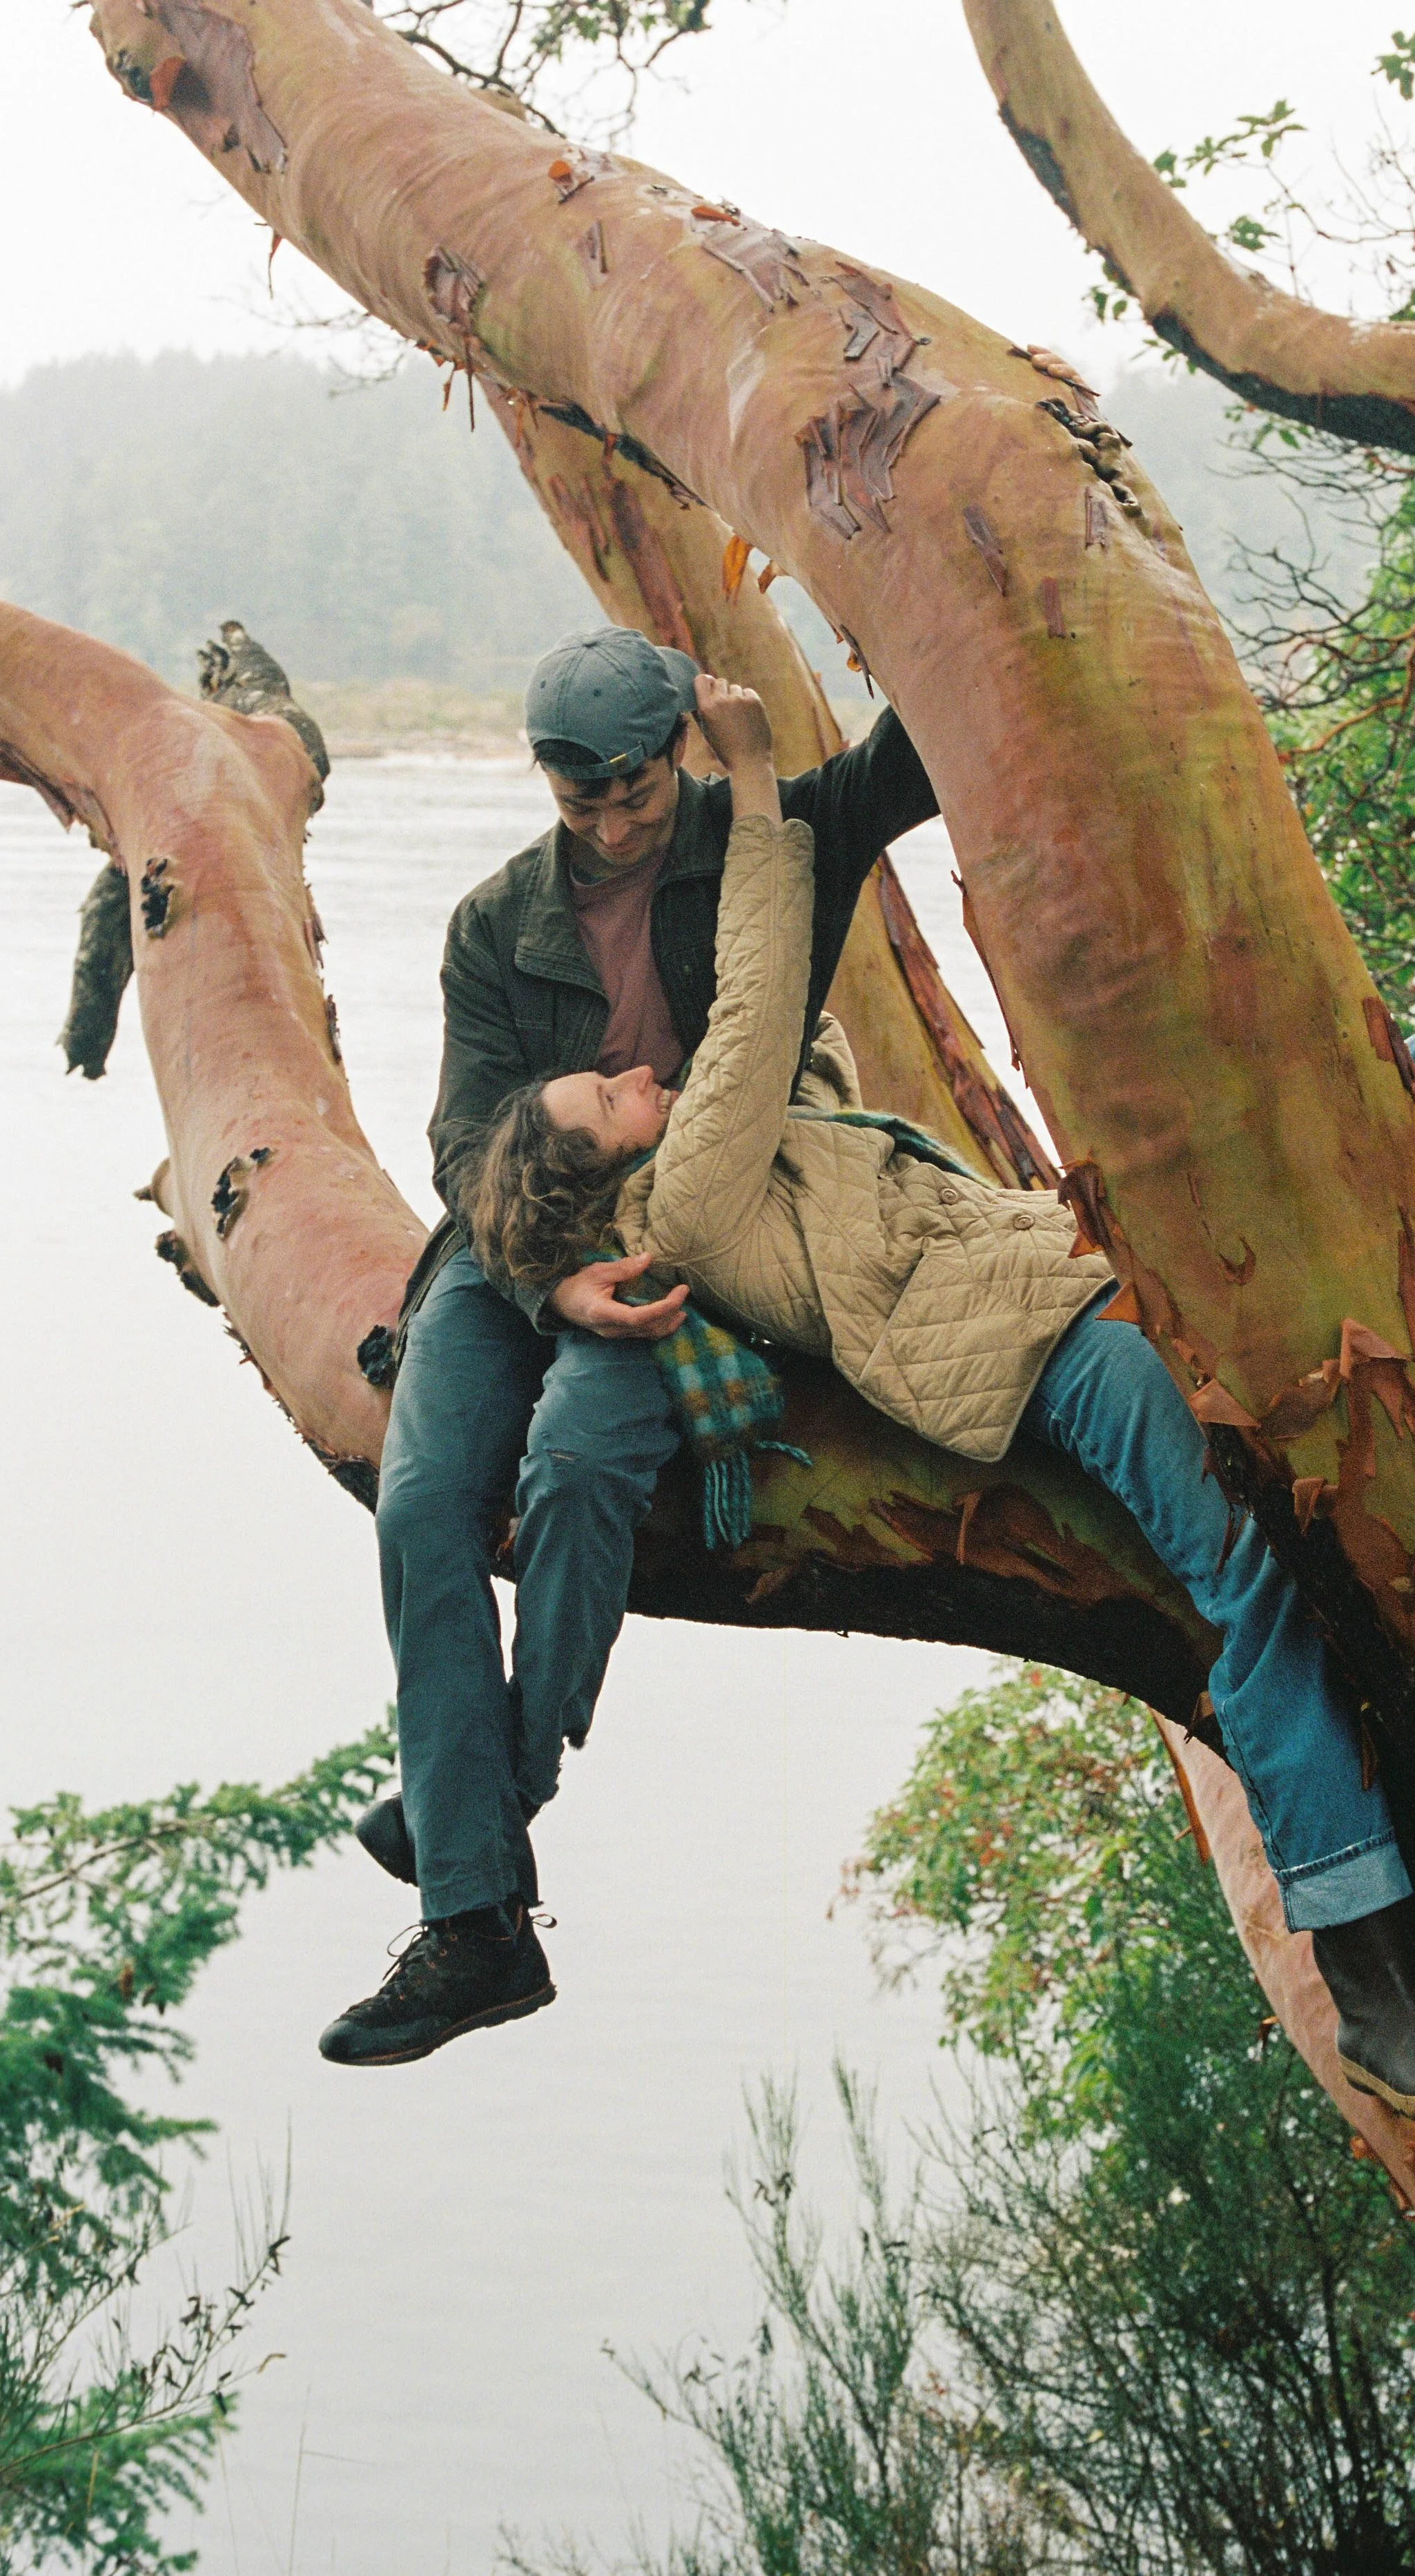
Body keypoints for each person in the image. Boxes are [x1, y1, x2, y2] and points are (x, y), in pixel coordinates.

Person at [462, 682, 1415, 2124]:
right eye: (598, 1097)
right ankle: (1373, 1982)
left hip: (1071, 1253)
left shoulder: (745, 1140)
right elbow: (768, 983)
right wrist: (761, 771)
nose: (623, 1068)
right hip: (1036, 1342)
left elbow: (785, 1015)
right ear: (604, 1183)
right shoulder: (693, 1192)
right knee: (1245, 1576)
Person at [318, 636, 939, 2070]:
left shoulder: (775, 834)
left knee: (580, 1462)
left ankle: (475, 1833)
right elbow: (466, 1140)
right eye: (575, 789)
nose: (606, 816)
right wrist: (552, 1284)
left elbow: (924, 745)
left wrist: (878, 575)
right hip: (511, 1242)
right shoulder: (495, 924)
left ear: (673, 747)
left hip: (689, 1225)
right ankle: (483, 1935)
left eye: (631, 786)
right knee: (420, 1503)